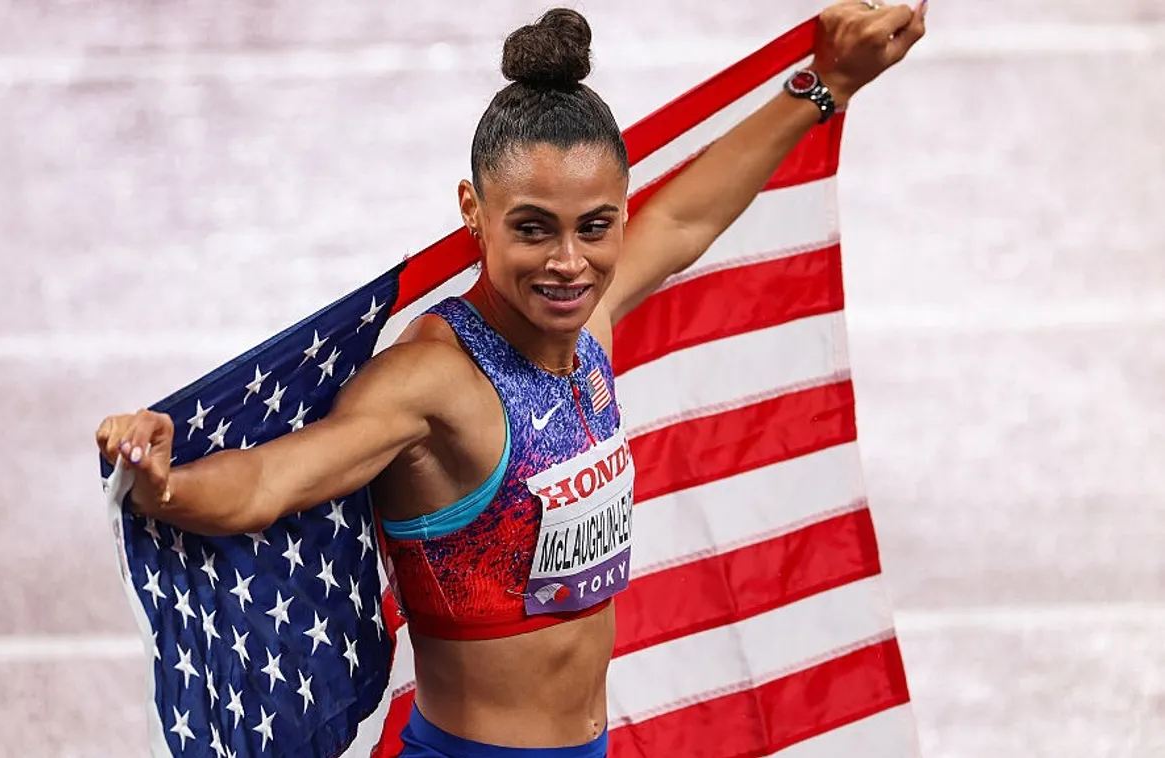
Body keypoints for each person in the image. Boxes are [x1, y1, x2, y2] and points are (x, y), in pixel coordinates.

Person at [96, 2, 926, 755]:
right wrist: (163, 485)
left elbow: (683, 218)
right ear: (473, 210)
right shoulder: (433, 383)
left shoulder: (585, 329)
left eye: (594, 227)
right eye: (532, 229)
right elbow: (268, 482)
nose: (568, 262)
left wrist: (827, 85)